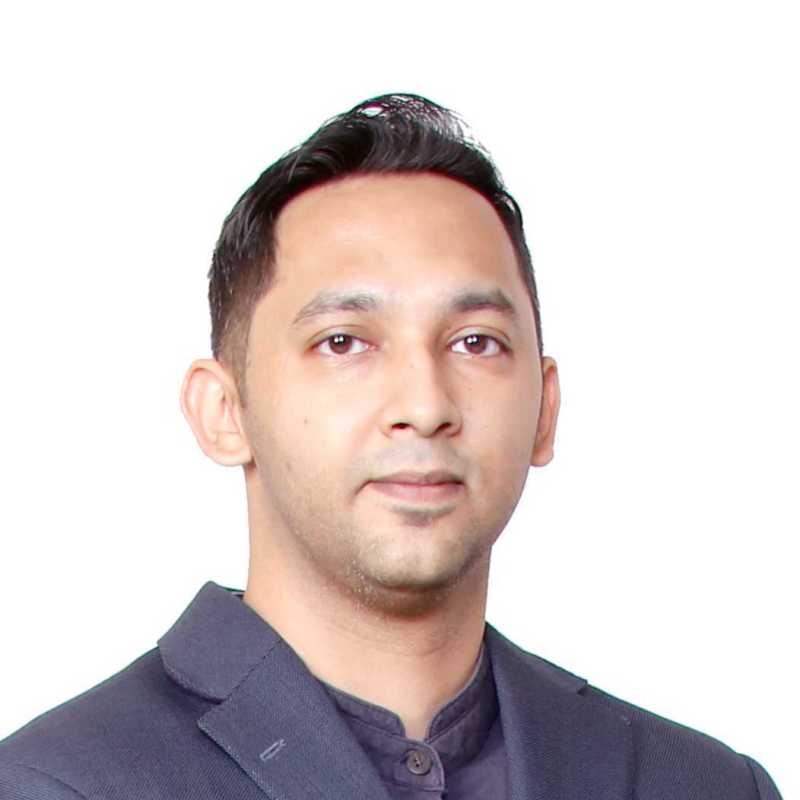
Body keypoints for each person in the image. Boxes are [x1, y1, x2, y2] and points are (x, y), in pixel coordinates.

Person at [0, 93, 783, 799]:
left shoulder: (705, 784)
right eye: (344, 342)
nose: (424, 405)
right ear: (224, 411)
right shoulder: (59, 784)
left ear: (545, 409)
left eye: (476, 342)